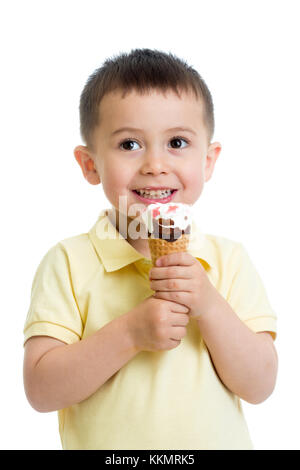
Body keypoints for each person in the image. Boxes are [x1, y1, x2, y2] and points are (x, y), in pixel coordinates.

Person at [23, 48, 278, 450]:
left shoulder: (228, 261)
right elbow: (41, 390)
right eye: (129, 145)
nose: (155, 164)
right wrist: (130, 332)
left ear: (208, 161)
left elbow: (261, 385)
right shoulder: (68, 262)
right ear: (90, 165)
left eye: (177, 141)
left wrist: (209, 306)